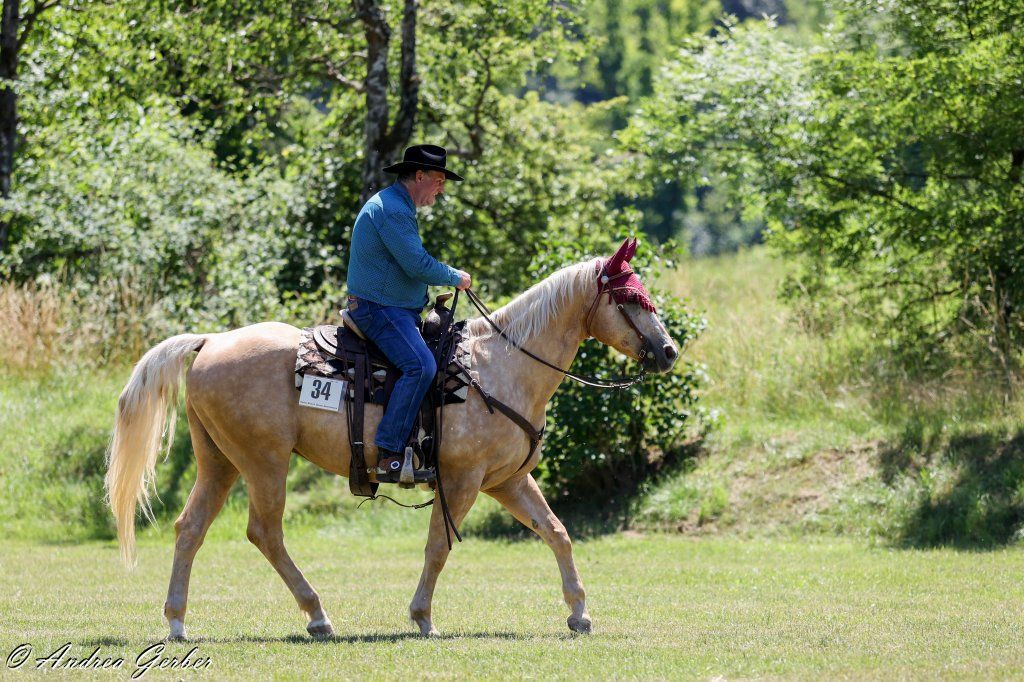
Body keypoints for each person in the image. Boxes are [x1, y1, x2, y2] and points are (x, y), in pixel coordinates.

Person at [345, 144, 472, 483]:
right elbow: (416, 264)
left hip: (388, 307)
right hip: (379, 309)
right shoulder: (393, 211)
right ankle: (389, 453)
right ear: (419, 176)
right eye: (439, 181)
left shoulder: (394, 204)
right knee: (421, 365)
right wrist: (454, 276)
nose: (442, 189)